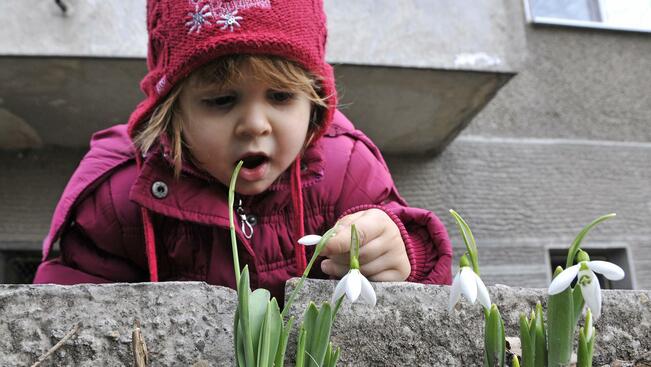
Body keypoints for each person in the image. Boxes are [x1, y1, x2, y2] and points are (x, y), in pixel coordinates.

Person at [33, 0, 452, 300]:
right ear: (172, 109)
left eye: (282, 96)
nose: (255, 124)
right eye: (221, 100)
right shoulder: (124, 191)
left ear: (316, 100)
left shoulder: (343, 169)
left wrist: (402, 254)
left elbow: (424, 273)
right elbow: (67, 305)